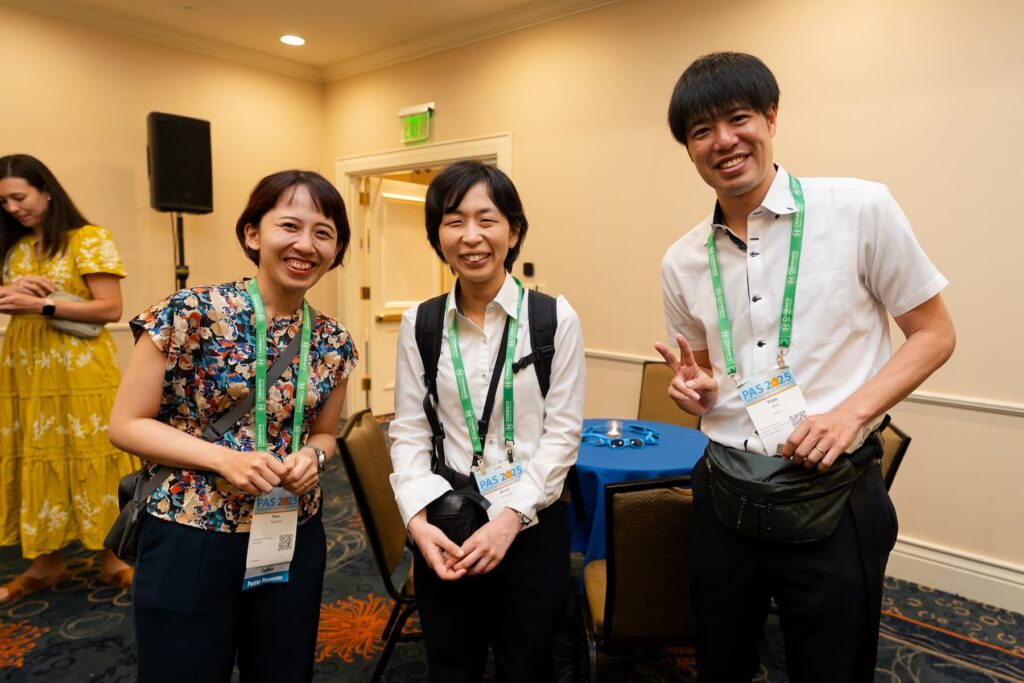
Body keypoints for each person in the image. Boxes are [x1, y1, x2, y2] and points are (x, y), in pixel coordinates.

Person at [657, 53, 956, 681]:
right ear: (688, 149)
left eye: (738, 118)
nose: (724, 141)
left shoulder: (859, 210)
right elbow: (707, 375)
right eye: (701, 131)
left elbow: (934, 334)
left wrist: (851, 413)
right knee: (720, 660)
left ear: (770, 116)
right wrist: (698, 389)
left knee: (833, 667)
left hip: (834, 492)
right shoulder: (681, 261)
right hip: (724, 495)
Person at [107, 170, 357, 682]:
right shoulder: (189, 313)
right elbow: (126, 425)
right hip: (190, 532)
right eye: (289, 225)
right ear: (252, 234)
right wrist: (224, 459)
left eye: (324, 233)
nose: (305, 245)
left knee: (282, 671)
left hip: (289, 529)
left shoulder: (334, 341)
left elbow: (327, 433)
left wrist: (314, 457)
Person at [389, 161, 585, 682]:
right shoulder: (421, 323)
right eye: (454, 221)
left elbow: (563, 435)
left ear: (513, 231)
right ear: (437, 235)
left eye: (487, 219)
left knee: (528, 666)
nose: (471, 237)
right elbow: (408, 429)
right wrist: (417, 521)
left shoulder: (554, 318)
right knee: (451, 666)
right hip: (448, 521)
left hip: (531, 525)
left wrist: (509, 519)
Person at [0, 154, 136, 602]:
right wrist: (10, 291)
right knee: (37, 453)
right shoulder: (16, 248)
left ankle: (114, 556)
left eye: (20, 197)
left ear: (47, 191)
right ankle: (45, 563)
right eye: (4, 202)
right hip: (26, 368)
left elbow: (109, 309)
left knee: (92, 451)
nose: (14, 208)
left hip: (80, 369)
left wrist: (41, 304)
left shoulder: (88, 239)